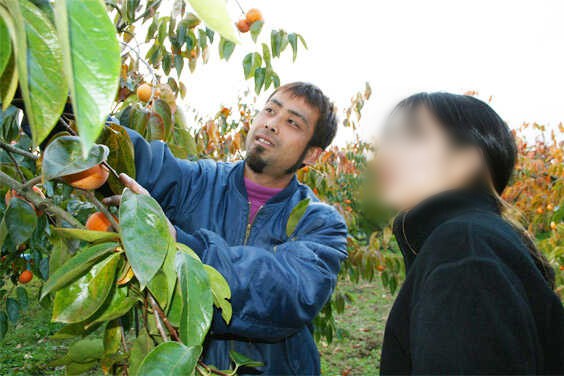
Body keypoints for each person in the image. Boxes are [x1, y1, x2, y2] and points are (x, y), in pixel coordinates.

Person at [105, 82, 348, 374]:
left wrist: (179, 245)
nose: (271, 124)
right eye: (270, 110)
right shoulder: (198, 182)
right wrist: (68, 117)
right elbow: (132, 159)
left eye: (292, 122)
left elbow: (287, 291)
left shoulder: (320, 222)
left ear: (312, 154)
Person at [374, 92, 564, 374]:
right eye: (387, 138)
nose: (384, 153)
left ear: (466, 160)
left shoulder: (463, 246)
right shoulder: (482, 238)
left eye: (413, 135)